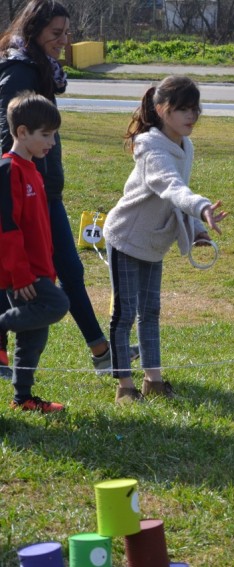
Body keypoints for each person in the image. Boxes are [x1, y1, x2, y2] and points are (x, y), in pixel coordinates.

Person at [0, 0, 133, 378]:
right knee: (27, 281)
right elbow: (7, 137)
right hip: (30, 195)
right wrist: (25, 188)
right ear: (34, 31)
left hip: (44, 191)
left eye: (66, 33)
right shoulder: (20, 70)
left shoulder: (39, 66)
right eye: (56, 34)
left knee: (69, 271)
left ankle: (100, 351)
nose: (63, 41)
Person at [104, 76, 227, 404]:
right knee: (125, 313)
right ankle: (124, 386)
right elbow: (171, 186)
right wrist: (202, 207)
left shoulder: (186, 146)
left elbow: (176, 198)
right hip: (126, 239)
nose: (191, 116)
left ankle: (153, 380)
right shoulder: (151, 147)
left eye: (195, 109)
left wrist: (197, 229)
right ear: (161, 110)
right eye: (182, 109)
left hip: (154, 243)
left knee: (151, 311)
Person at [0, 92, 69, 412]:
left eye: (54, 135)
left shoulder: (34, 171)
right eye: (46, 135)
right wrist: (21, 273)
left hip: (41, 269)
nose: (51, 142)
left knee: (33, 339)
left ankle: (22, 399)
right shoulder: (8, 169)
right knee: (57, 304)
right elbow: (7, 228)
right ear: (22, 132)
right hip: (23, 274)